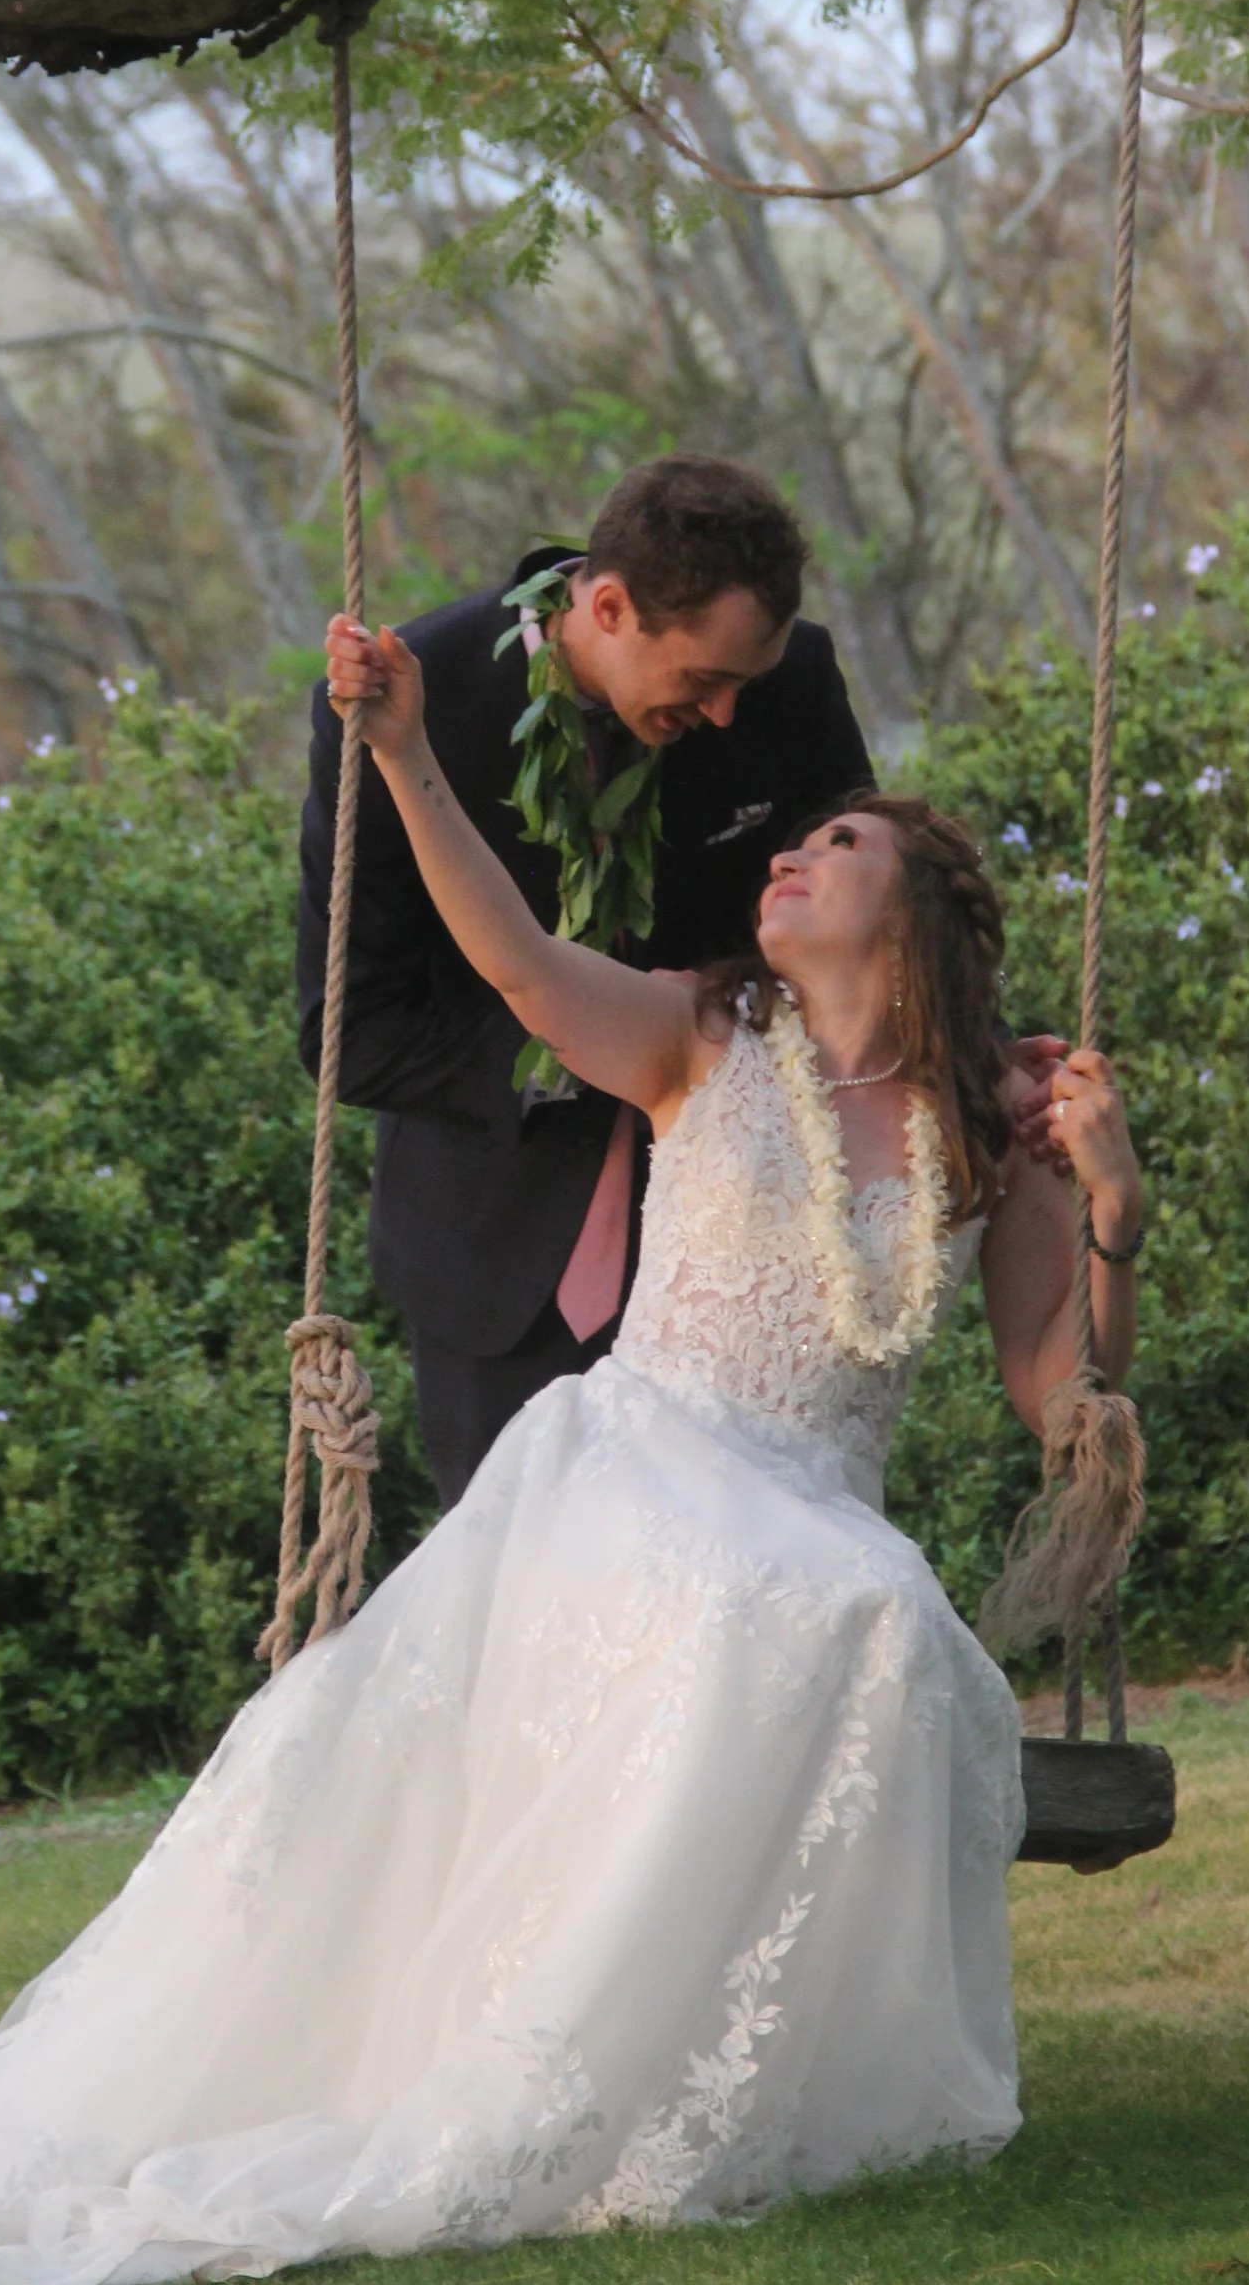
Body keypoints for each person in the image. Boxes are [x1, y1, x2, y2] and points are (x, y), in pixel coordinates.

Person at [0, 617, 1145, 2285]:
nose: (789, 857)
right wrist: (399, 757)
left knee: (862, 1615)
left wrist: (1115, 1216)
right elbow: (525, 967)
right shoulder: (702, 1036)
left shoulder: (994, 1132)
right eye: (798, 839)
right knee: (821, 1612)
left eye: (837, 846)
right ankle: (558, 2071)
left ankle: (706, 2077)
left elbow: (1055, 1382)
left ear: (912, 910)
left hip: (811, 1499)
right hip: (644, 1465)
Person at [298, 452, 873, 1503]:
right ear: (607, 604)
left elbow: (877, 928)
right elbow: (352, 1030)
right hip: (494, 1262)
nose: (726, 716)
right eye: (703, 681)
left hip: (735, 1244)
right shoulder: (411, 704)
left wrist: (981, 1059)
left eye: (745, 684)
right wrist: (583, 1046)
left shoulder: (786, 688)